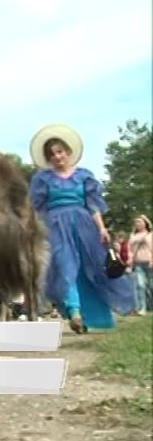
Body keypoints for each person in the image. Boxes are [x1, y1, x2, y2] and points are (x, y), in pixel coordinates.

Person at [28, 124, 134, 333]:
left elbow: (93, 205)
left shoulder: (84, 175)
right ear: (48, 158)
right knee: (65, 266)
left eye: (60, 152)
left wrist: (102, 229)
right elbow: (37, 208)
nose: (57, 157)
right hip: (56, 226)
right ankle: (74, 311)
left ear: (68, 152)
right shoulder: (43, 179)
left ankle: (91, 315)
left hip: (84, 226)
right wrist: (35, 231)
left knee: (90, 270)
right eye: (52, 154)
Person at [126, 215, 152, 315]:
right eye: (136, 222)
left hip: (148, 262)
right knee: (140, 286)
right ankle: (142, 308)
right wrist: (130, 260)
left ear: (145, 223)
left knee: (150, 286)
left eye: (140, 222)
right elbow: (130, 250)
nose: (138, 224)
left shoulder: (150, 234)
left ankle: (150, 305)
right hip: (138, 263)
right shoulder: (133, 235)